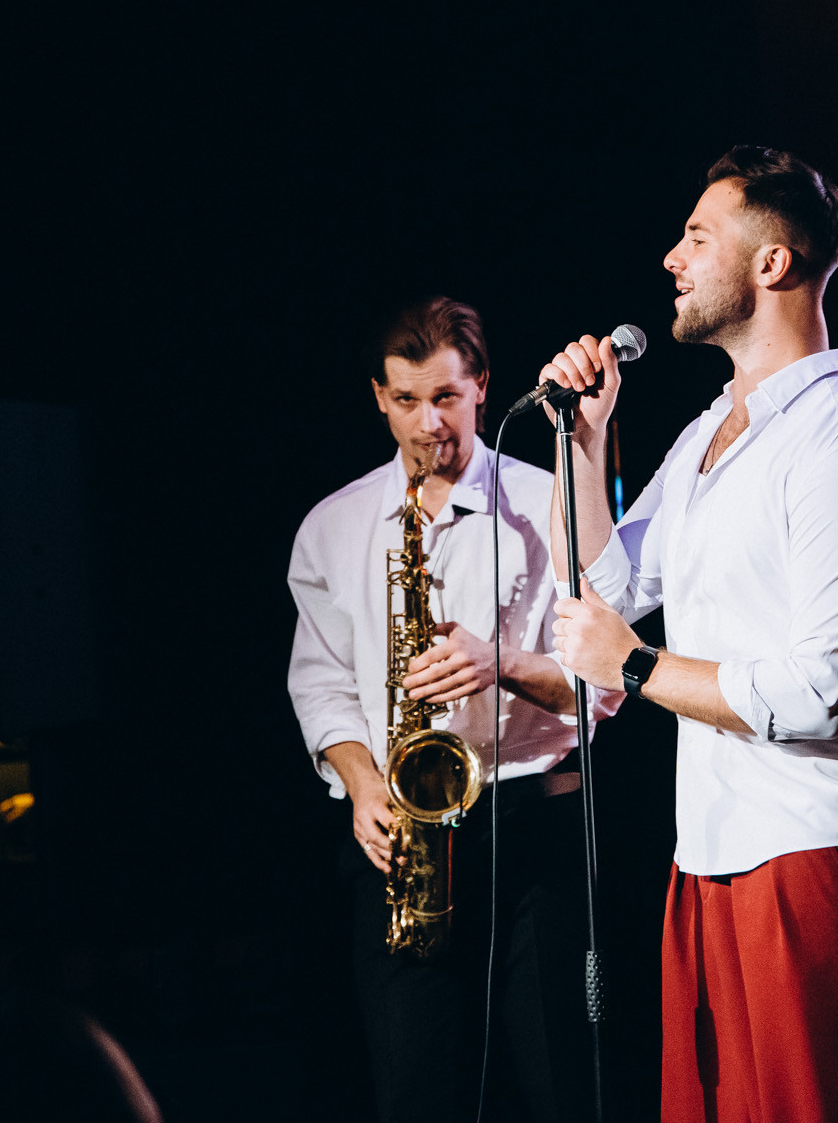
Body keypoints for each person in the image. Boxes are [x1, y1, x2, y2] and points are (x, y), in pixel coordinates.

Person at [539, 147, 838, 1123]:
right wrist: (583, 443)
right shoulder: (710, 434)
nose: (671, 258)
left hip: (814, 855)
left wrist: (634, 665)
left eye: (697, 236)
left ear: (771, 263)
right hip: (707, 858)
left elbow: (816, 695)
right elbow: (604, 589)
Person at [285, 296, 609, 1123]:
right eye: (406, 400)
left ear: (483, 386)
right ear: (378, 396)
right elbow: (320, 683)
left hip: (533, 829)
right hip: (403, 836)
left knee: (562, 1092)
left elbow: (605, 688)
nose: (428, 424)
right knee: (414, 1093)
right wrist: (363, 783)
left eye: (446, 398)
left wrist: (501, 664)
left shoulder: (548, 502)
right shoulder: (333, 526)